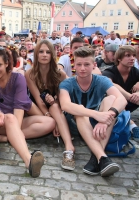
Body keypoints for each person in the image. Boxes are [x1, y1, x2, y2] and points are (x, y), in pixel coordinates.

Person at [0, 47, 55, 177]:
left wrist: (14, 128)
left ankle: (6, 139)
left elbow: (19, 105)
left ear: (7, 64)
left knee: (50, 122)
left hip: (16, 120)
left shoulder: (18, 78)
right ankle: (28, 160)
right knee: (9, 118)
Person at [59, 46, 126, 177]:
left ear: (94, 65)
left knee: (111, 99)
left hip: (100, 125)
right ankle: (102, 156)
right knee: (80, 112)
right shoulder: (67, 83)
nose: (83, 68)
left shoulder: (102, 80)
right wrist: (97, 115)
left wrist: (105, 119)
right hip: (78, 125)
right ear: (74, 65)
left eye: (87, 64)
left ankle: (98, 159)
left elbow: (122, 99)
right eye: (79, 64)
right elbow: (65, 105)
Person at [25, 40, 75, 170]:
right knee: (44, 107)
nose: (44, 55)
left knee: (54, 106)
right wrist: (51, 118)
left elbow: (62, 99)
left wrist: (54, 106)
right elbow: (37, 98)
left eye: (48, 52)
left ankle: (69, 148)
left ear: (53, 54)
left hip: (56, 107)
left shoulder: (60, 74)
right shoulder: (30, 74)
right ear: (36, 54)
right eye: (41, 51)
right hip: (36, 107)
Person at [102, 46, 139, 140]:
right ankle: (133, 126)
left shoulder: (135, 71)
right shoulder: (110, 71)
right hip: (115, 104)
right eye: (128, 55)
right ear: (119, 58)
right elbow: (109, 84)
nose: (132, 58)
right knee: (113, 97)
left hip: (132, 102)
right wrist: (129, 96)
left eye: (134, 55)